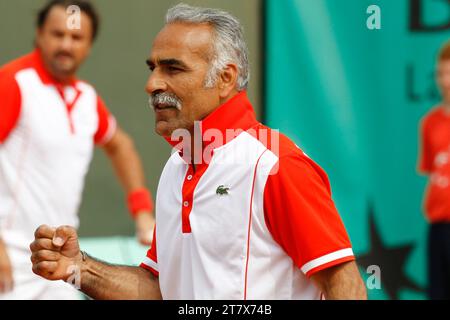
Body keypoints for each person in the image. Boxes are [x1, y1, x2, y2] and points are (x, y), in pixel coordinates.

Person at [29, 3, 367, 300]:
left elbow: (345, 284)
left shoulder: (275, 164)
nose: (153, 84)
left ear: (225, 78)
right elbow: (158, 288)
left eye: (173, 68)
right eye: (153, 68)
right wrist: (80, 268)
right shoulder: (177, 166)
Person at [0, 0, 155, 299]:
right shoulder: (14, 83)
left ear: (89, 45)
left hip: (59, 262)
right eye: (58, 34)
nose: (66, 45)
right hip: (9, 263)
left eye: (76, 37)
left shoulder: (86, 98)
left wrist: (142, 211)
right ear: (39, 34)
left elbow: (120, 145)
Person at [418, 41, 450, 300]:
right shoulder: (430, 122)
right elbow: (433, 172)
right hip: (438, 225)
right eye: (441, 73)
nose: (445, 81)